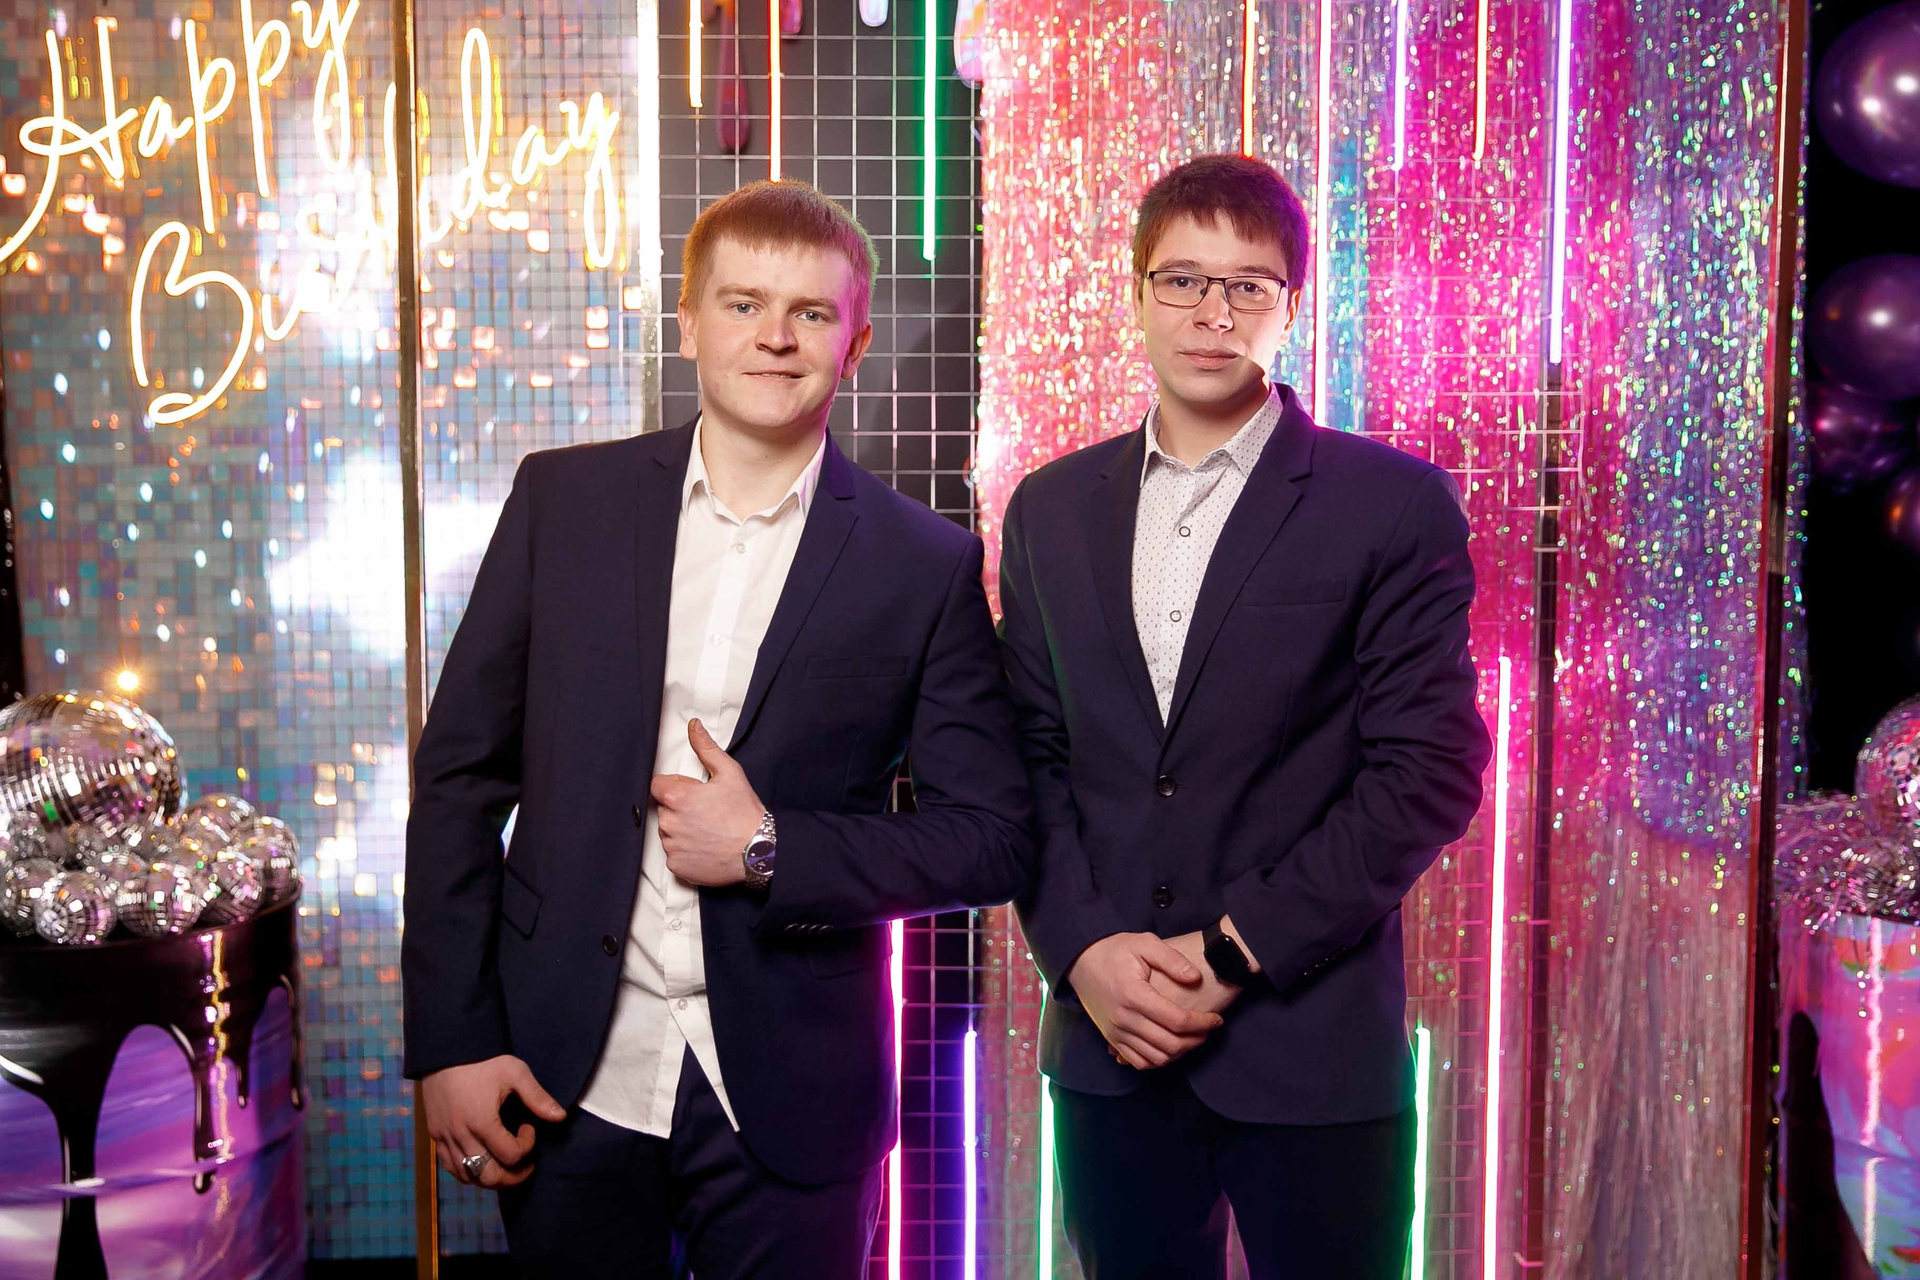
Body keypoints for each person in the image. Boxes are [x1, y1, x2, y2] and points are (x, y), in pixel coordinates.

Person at [402, 179, 1034, 1278]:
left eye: (810, 312)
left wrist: (771, 848)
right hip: (564, 1067)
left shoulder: (923, 562)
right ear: (689, 321)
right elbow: (460, 780)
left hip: (799, 1088)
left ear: (854, 343)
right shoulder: (564, 504)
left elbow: (993, 837)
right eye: (744, 304)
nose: (775, 337)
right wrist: (453, 1039)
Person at [999, 153, 1492, 1279]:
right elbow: (1027, 756)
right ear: (1137, 294)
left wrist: (1233, 950)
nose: (1212, 313)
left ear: (1291, 307)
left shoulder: (1390, 503)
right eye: (1182, 280)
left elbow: (1427, 772)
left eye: (1247, 286)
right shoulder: (1049, 509)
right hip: (1111, 1044)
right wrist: (1081, 950)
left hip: (1312, 1056)